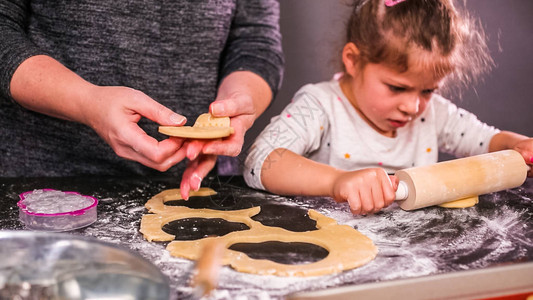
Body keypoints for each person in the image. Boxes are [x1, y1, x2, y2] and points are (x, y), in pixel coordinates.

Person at [244, 0, 533, 215]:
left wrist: (518, 145)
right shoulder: (320, 106)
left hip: (413, 254)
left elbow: (487, 141)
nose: (413, 106)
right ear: (353, 60)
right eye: (397, 87)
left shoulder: (431, 114)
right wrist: (337, 182)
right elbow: (259, 161)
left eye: (428, 90)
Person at [0, 0, 283, 198]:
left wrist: (239, 101)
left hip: (197, 183)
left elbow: (255, 39)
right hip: (44, 183)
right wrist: (88, 102)